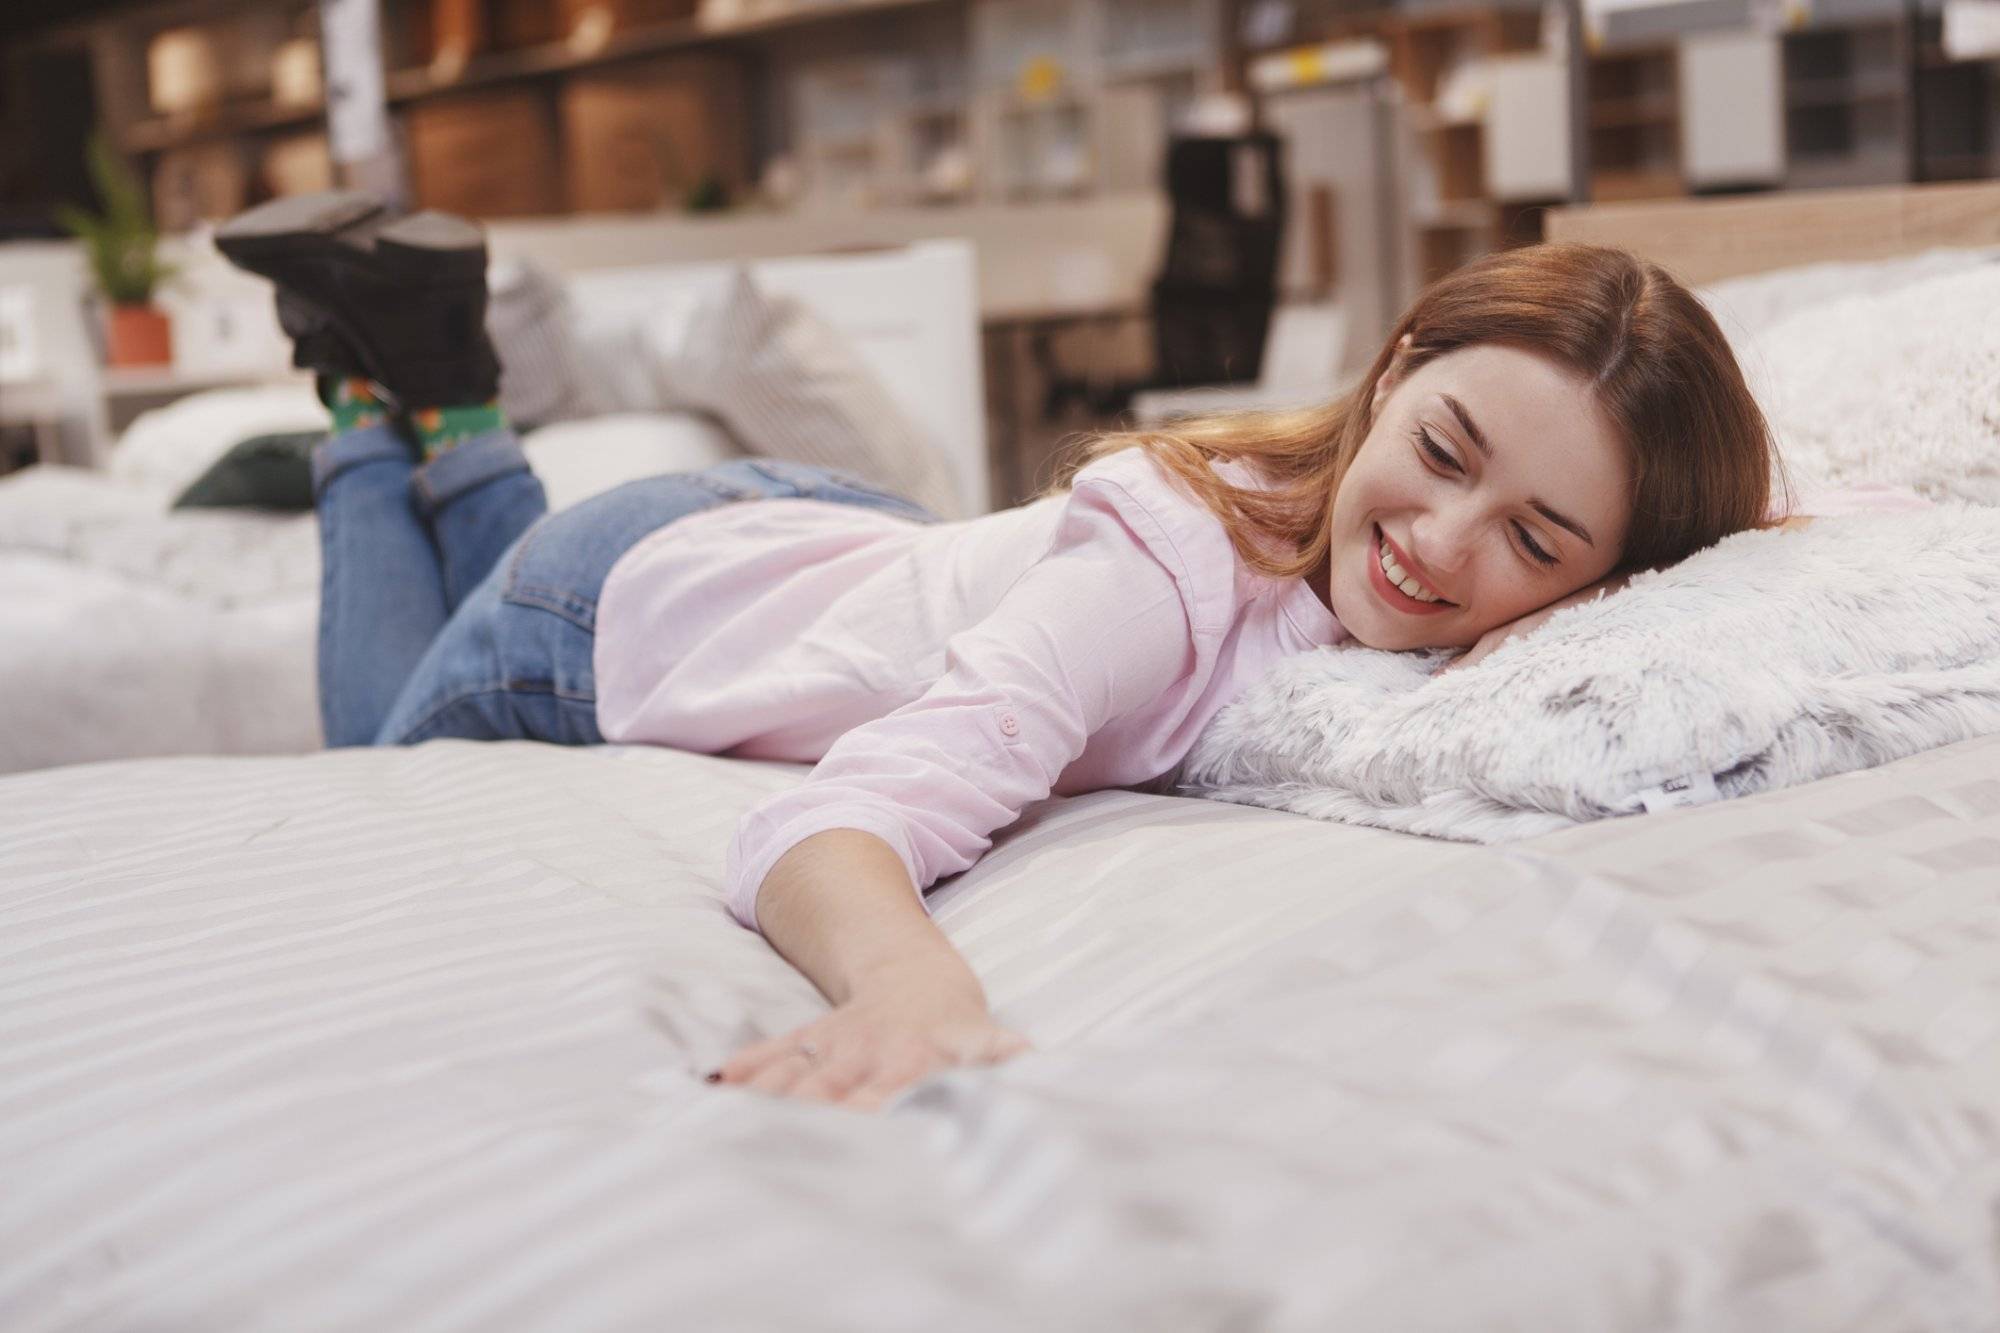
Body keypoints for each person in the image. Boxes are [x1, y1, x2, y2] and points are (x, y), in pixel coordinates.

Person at [217, 191, 1782, 1114]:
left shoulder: (1384, 564)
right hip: (629, 603)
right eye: (1445, 451)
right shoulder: (1166, 576)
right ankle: (373, 401)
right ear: (1393, 372)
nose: (1445, 543)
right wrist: (905, 984)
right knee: (382, 753)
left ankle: (432, 363)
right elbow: (833, 814)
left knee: (467, 605)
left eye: (1536, 539)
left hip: (832, 540)